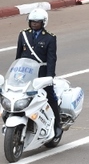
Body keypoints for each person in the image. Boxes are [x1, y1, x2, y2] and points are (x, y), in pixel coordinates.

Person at [15, 8, 62, 138]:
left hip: (41, 73)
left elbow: (51, 58)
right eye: (32, 22)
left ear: (43, 22)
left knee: (50, 97)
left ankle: (57, 125)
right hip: (26, 72)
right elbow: (18, 56)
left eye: (37, 22)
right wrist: (16, 72)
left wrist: (50, 77)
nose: (34, 24)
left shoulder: (50, 38)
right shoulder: (23, 35)